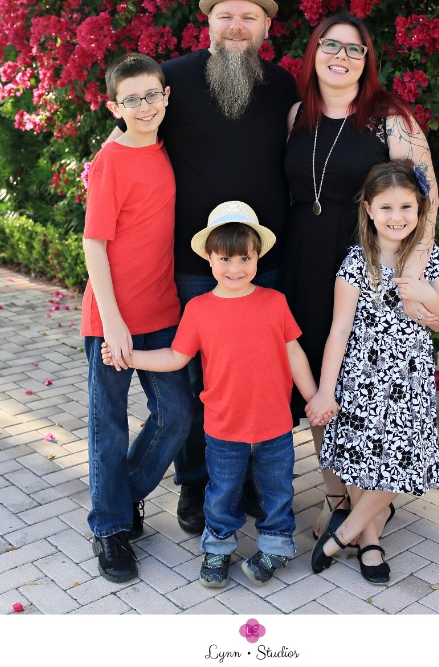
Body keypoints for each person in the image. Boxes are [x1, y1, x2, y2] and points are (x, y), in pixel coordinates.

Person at [107, 0, 297, 534]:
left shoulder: (285, 85)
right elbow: (128, 132)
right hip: (194, 267)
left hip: (265, 260)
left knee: (262, 375)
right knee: (196, 380)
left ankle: (256, 484)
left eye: (248, 17)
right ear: (208, 21)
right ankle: (196, 487)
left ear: (265, 26)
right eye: (226, 16)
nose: (236, 26)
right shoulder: (175, 80)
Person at [280, 12, 439, 540]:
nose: (341, 57)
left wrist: (413, 274)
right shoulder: (297, 115)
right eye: (331, 46)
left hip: (363, 264)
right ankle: (334, 493)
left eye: (354, 49)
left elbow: (424, 191)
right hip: (304, 258)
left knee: (360, 383)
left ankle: (368, 505)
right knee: (320, 384)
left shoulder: (388, 117)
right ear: (315, 52)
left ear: (366, 60)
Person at [117, 201, 333, 588]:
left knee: (277, 492)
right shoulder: (199, 310)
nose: (236, 269)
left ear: (257, 256)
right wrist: (131, 356)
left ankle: (276, 547)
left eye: (244, 258)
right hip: (223, 428)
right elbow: (176, 356)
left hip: (274, 427)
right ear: (209, 258)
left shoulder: (274, 302)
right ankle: (217, 547)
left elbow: (295, 354)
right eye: (226, 258)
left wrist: (315, 396)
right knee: (221, 493)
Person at [307, 160, 439, 583]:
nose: (397, 217)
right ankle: (369, 540)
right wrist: (325, 391)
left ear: (420, 209)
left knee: (407, 461)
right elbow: (338, 331)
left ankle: (347, 530)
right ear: (369, 210)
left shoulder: (430, 258)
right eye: (386, 207)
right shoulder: (357, 262)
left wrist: (428, 294)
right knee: (358, 461)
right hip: (361, 382)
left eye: (406, 207)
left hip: (410, 381)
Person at [81, 52, 193, 583]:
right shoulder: (111, 160)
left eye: (153, 95)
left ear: (167, 96)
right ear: (114, 107)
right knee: (107, 421)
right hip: (112, 317)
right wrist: (113, 320)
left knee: (176, 414)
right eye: (132, 99)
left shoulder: (167, 150)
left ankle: (118, 501)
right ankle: (110, 528)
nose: (145, 106)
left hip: (163, 310)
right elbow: (94, 244)